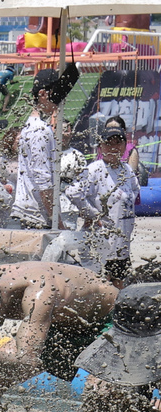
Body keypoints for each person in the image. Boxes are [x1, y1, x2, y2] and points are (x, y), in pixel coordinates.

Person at [0, 261, 119, 383]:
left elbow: (26, 363)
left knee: (100, 393)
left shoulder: (38, 295)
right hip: (60, 329)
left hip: (108, 325)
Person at [65, 116, 140, 286]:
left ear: (124, 146)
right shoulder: (95, 169)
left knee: (119, 285)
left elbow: (135, 190)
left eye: (118, 143)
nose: (114, 147)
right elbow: (73, 192)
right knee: (101, 289)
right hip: (101, 243)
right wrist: (93, 214)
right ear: (101, 146)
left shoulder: (126, 169)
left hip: (122, 243)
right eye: (109, 143)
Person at [11, 64, 81, 228]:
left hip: (32, 212)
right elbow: (42, 179)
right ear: (42, 94)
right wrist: (57, 220)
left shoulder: (31, 126)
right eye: (57, 95)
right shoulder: (40, 131)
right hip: (37, 216)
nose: (61, 100)